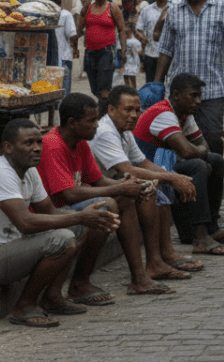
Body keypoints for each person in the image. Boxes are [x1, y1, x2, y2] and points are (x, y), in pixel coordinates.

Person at [0, 118, 121, 328]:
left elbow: (50, 211)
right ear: (8, 147)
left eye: (38, 142)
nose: (36, 148)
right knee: (62, 238)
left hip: (6, 249)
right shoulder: (0, 174)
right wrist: (80, 216)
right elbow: (25, 223)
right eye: (28, 143)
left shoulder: (30, 171)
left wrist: (85, 218)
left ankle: (52, 297)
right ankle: (24, 306)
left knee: (75, 228)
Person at [37, 93, 172, 298]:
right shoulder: (53, 144)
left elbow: (99, 180)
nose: (96, 126)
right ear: (72, 123)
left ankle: (139, 277)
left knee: (127, 197)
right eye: (91, 121)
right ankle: (79, 283)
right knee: (107, 205)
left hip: (70, 205)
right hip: (53, 211)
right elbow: (70, 194)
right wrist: (119, 188)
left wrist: (129, 185)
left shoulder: (81, 142)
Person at [90, 85, 203, 281]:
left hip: (115, 181)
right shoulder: (106, 131)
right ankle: (154, 262)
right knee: (147, 187)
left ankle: (163, 254)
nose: (134, 115)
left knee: (158, 183)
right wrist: (174, 178)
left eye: (137, 110)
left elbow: (143, 162)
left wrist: (172, 177)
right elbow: (128, 169)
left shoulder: (124, 131)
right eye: (128, 110)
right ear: (111, 110)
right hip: (99, 186)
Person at [153, 0, 224, 155]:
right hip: (180, 93)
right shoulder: (174, 11)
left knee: (212, 138)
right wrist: (157, 83)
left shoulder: (221, 8)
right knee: (180, 142)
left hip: (211, 89)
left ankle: (214, 182)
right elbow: (165, 50)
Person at [135, 73, 224, 256]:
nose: (198, 101)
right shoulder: (163, 113)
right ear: (177, 95)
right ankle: (200, 236)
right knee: (198, 165)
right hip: (149, 168)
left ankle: (211, 227)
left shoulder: (185, 114)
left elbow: (203, 146)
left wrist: (200, 151)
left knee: (216, 161)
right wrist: (200, 152)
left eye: (199, 96)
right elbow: (188, 151)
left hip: (165, 164)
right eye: (193, 95)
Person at [74, 0, 127, 102]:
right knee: (95, 88)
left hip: (106, 52)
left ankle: (103, 115)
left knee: (104, 88)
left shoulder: (112, 8)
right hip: (90, 52)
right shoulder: (87, 8)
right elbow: (79, 30)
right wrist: (74, 46)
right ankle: (104, 108)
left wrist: (123, 50)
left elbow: (122, 29)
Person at [135, 0, 170, 83]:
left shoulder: (173, 9)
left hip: (169, 56)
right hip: (151, 54)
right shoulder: (147, 10)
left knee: (167, 84)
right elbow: (138, 29)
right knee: (151, 84)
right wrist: (142, 38)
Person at [48, 0, 79, 96]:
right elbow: (72, 35)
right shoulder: (66, 14)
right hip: (64, 56)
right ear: (61, 0)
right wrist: (75, 49)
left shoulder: (45, 14)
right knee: (64, 89)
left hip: (48, 57)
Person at [123, 22, 142, 87]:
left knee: (132, 80)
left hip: (133, 64)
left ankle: (134, 94)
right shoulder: (123, 40)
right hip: (126, 64)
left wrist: (133, 51)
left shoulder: (135, 41)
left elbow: (140, 52)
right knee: (126, 80)